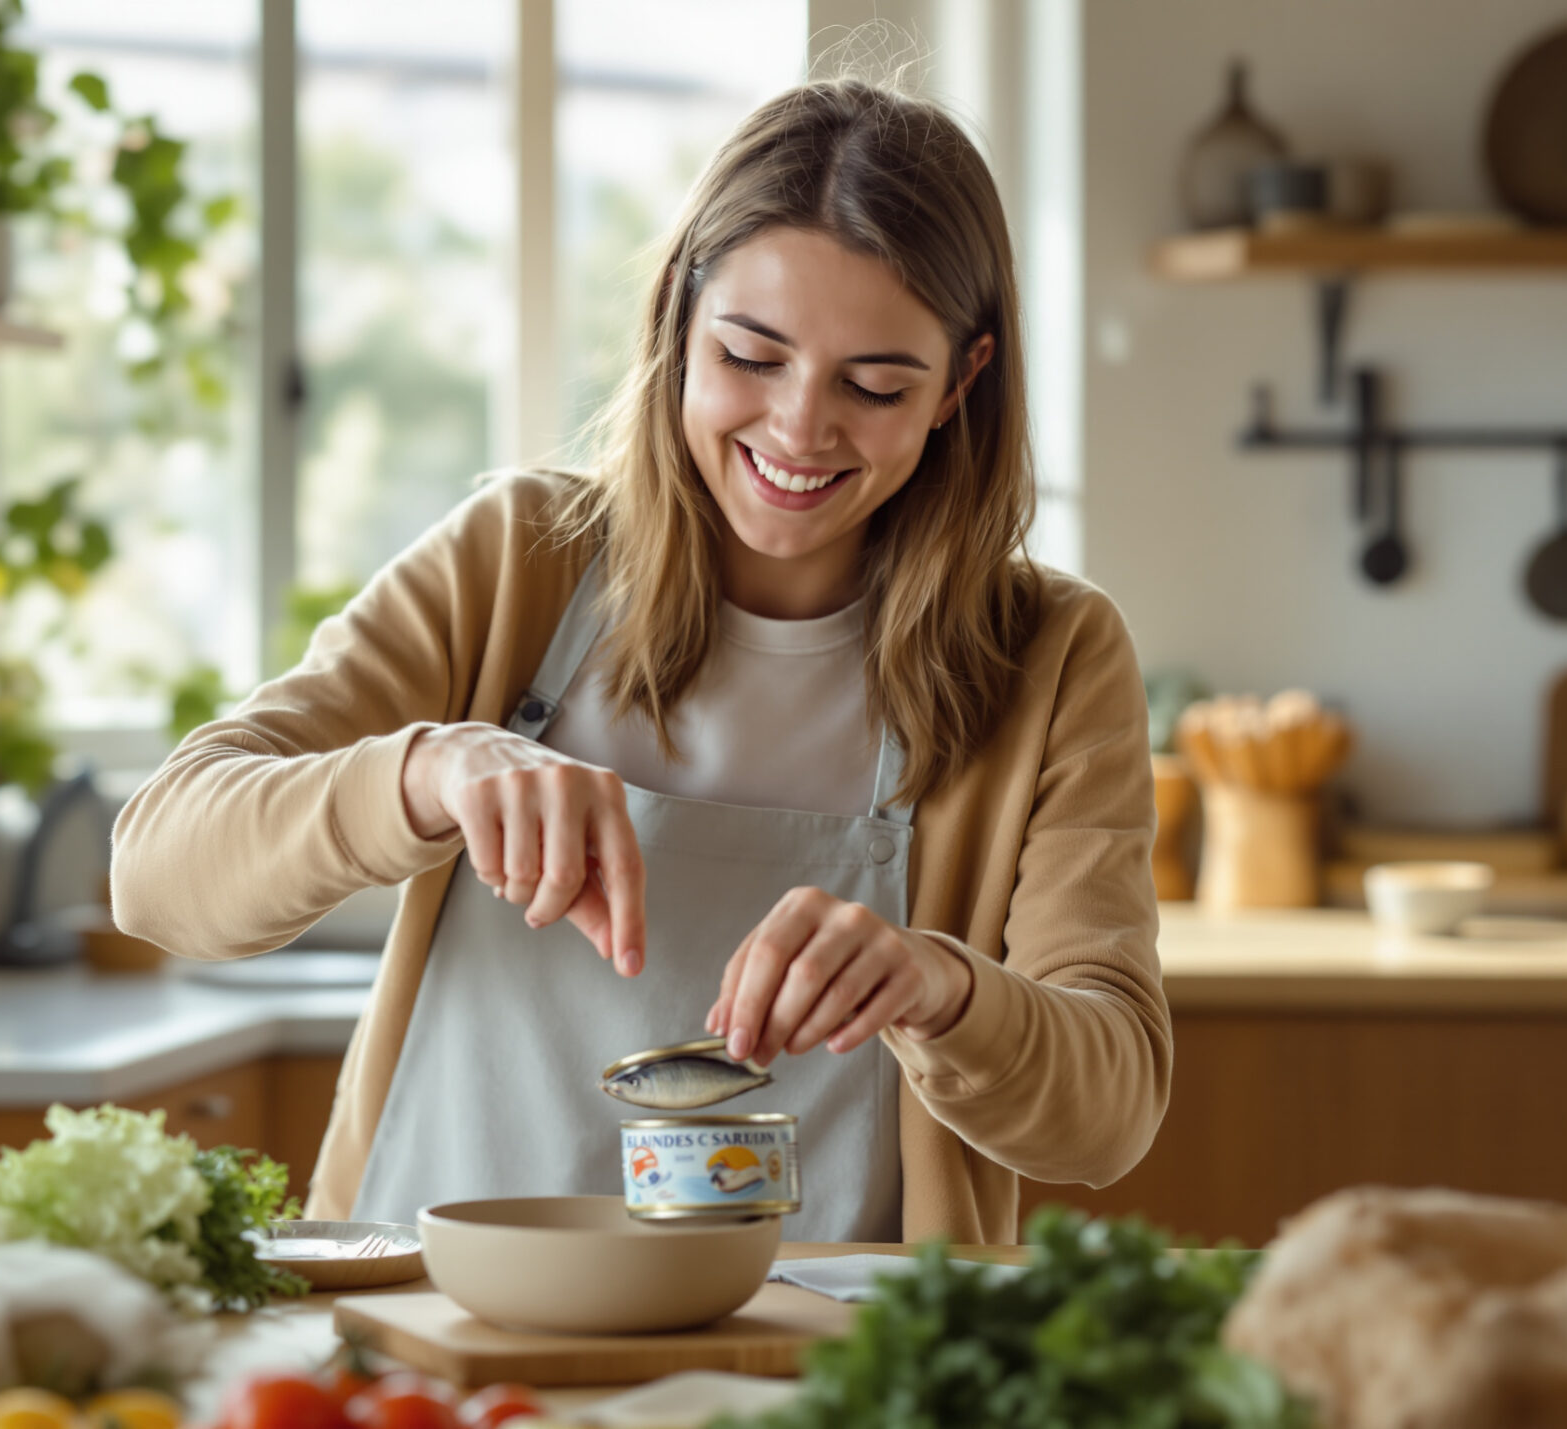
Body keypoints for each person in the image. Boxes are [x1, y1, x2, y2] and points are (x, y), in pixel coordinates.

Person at [111, 78, 1170, 1244]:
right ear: (677, 316)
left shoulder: (1052, 656)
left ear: (960, 384)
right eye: (750, 356)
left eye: (875, 386)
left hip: (818, 1373)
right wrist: (427, 773)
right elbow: (159, 871)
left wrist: (945, 989)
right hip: (439, 1333)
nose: (799, 428)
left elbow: (1109, 1115)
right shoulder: (514, 564)